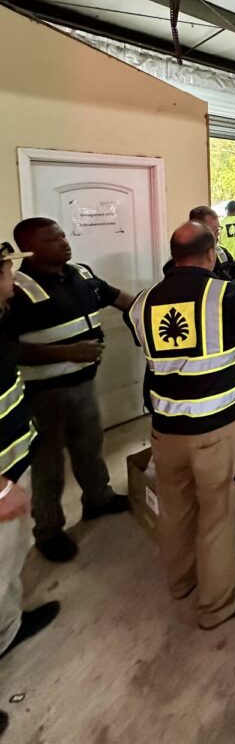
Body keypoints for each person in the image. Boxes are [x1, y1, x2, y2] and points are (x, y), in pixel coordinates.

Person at [126, 222, 235, 629]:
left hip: (165, 431)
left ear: (174, 256)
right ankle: (217, 605)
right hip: (216, 430)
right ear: (211, 254)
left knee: (175, 509)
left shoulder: (143, 301)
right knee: (219, 515)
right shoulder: (226, 294)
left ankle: (181, 582)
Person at [8, 219, 134, 563]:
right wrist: (67, 352)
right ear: (29, 249)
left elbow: (119, 298)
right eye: (53, 239)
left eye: (63, 235)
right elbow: (7, 350)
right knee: (47, 465)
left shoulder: (81, 272)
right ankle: (48, 530)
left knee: (89, 447)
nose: (64, 242)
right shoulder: (15, 290)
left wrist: (156, 307)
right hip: (42, 395)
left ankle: (98, 499)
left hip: (83, 384)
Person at [1, 242, 60, 673]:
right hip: (1, 481)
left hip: (13, 461)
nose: (13, 280)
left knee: (12, 556)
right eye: (7, 272)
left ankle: (8, 627)